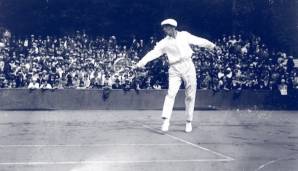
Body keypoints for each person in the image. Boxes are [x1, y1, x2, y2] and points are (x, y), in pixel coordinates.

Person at [133, 18, 217, 132]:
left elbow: (198, 40)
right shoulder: (164, 43)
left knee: (190, 95)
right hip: (174, 69)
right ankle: (166, 121)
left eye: (167, 27)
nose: (164, 29)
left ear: (173, 27)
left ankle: (188, 122)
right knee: (171, 93)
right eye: (164, 28)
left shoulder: (184, 35)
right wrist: (141, 63)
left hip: (188, 66)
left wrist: (212, 46)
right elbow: (153, 53)